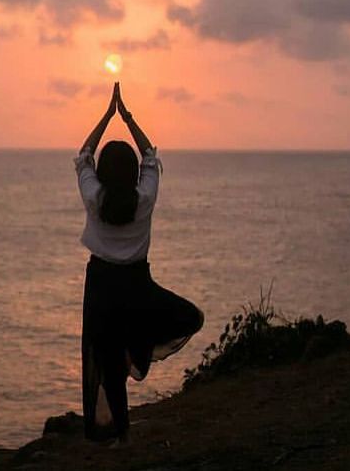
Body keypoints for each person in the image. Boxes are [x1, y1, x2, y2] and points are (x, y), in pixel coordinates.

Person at [75, 81, 204, 445]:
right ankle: (138, 350)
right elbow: (150, 156)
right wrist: (127, 118)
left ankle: (122, 435)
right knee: (190, 317)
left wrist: (106, 115)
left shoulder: (93, 197)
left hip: (101, 284)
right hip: (135, 283)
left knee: (109, 362)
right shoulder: (144, 197)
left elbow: (84, 155)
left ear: (103, 172)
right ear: (131, 173)